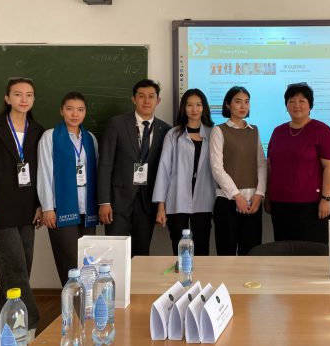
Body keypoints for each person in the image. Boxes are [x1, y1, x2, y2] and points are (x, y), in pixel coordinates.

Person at [0, 77, 44, 340]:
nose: (23, 99)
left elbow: (42, 172)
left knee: (20, 268)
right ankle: (29, 322)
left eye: (29, 94)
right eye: (17, 94)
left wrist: (40, 205)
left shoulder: (38, 130)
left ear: (33, 99)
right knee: (13, 267)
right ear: (7, 98)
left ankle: (7, 325)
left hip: (28, 208)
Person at [97, 79, 171, 257]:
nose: (146, 101)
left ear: (158, 100)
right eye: (141, 96)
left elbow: (166, 171)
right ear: (133, 99)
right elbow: (105, 164)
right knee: (115, 253)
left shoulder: (166, 130)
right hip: (118, 201)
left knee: (141, 253)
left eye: (151, 97)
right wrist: (104, 202)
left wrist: (162, 205)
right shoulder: (116, 124)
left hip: (147, 202)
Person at [37, 92, 99, 286]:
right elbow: (45, 173)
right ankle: (70, 299)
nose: (75, 114)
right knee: (69, 259)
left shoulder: (90, 138)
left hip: (87, 209)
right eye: (69, 109)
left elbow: (96, 172)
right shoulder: (50, 137)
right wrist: (47, 207)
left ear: (85, 112)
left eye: (80, 109)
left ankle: (86, 299)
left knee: (87, 259)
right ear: (61, 111)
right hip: (61, 208)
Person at [265, 83, 330, 244]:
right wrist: (268, 196)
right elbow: (270, 166)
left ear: (310, 105)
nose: (296, 105)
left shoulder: (323, 131)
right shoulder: (278, 132)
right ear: (286, 105)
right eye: (291, 101)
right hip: (279, 204)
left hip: (311, 206)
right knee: (283, 250)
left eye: (302, 101)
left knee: (311, 252)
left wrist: (326, 199)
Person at [153, 89, 217, 255]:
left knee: (202, 246)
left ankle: (201, 273)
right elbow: (164, 169)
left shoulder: (213, 133)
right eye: (189, 105)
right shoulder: (173, 134)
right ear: (184, 108)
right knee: (179, 246)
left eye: (198, 105)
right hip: (177, 199)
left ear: (204, 107)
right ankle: (182, 272)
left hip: (205, 199)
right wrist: (161, 206)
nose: (194, 109)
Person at [210, 86, 267, 255]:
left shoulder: (254, 131)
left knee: (251, 253)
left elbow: (261, 164)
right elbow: (217, 168)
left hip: (253, 203)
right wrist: (237, 196)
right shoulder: (219, 130)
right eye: (238, 101)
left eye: (247, 102)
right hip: (227, 201)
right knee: (226, 253)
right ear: (228, 105)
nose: (243, 106)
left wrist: (259, 194)